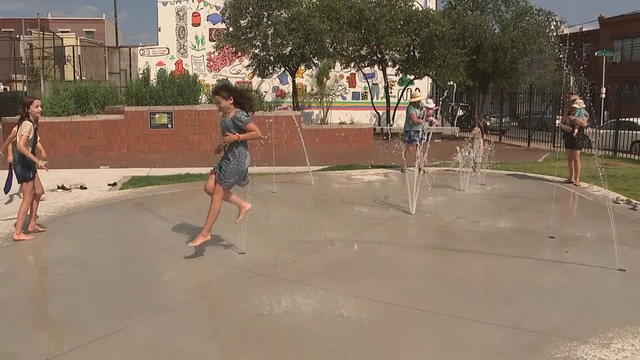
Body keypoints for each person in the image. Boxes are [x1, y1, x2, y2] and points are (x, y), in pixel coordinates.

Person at [188, 84, 263, 247]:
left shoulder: (239, 116)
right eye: (215, 104)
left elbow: (257, 133)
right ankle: (242, 205)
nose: (217, 107)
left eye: (219, 103)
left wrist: (236, 138)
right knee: (209, 187)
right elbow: (227, 138)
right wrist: (221, 146)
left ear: (230, 100)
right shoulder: (224, 117)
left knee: (217, 194)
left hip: (237, 160)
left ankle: (205, 233)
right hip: (228, 158)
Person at [7, 97, 49, 241]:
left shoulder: (31, 123)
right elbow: (20, 146)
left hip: (26, 161)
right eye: (37, 107)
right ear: (28, 109)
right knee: (27, 197)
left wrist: (2, 149)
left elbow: (12, 138)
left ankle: (31, 224)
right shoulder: (27, 124)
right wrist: (37, 161)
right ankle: (18, 233)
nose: (40, 109)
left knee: (38, 191)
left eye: (40, 106)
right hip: (23, 162)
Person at [402, 94, 439, 173]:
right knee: (410, 148)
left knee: (420, 148)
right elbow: (415, 120)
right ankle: (404, 164)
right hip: (410, 129)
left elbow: (426, 114)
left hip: (419, 130)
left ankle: (420, 166)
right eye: (418, 100)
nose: (419, 101)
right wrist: (427, 120)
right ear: (414, 101)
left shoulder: (420, 106)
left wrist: (431, 112)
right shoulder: (410, 108)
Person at [559, 94, 589, 186]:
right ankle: (570, 177)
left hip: (577, 136)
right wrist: (564, 127)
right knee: (569, 157)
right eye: (571, 101)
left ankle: (577, 179)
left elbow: (584, 124)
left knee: (576, 157)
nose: (571, 103)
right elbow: (561, 123)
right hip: (568, 135)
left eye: (573, 101)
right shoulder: (567, 112)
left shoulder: (583, 112)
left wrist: (574, 119)